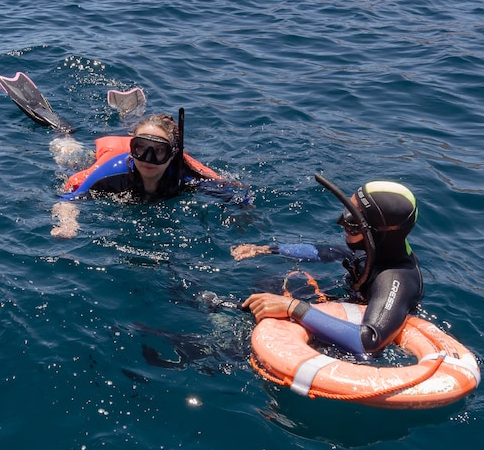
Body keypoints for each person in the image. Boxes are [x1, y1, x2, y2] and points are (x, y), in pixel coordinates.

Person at [233, 179, 422, 357]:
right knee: (265, 285)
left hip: (352, 342)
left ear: (378, 232)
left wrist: (293, 307)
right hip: (347, 303)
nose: (342, 222)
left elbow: (368, 341)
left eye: (353, 219)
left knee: (248, 344)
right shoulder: (372, 247)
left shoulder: (395, 279)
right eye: (347, 209)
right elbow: (325, 252)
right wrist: (267, 249)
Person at [50, 113, 247, 238]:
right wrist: (68, 224)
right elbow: (68, 200)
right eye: (140, 148)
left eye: (158, 151)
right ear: (132, 149)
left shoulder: (186, 177)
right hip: (109, 156)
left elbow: (237, 197)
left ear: (172, 154)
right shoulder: (111, 173)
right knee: (70, 162)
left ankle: (129, 117)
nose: (148, 159)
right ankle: (64, 135)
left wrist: (240, 216)